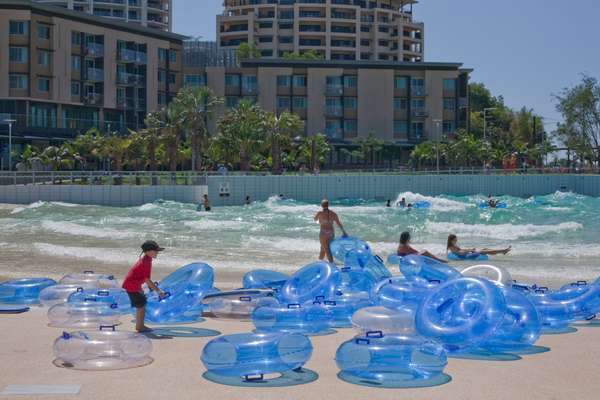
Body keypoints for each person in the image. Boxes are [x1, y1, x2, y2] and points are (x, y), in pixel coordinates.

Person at [122, 240, 166, 332]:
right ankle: (140, 326)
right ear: (147, 252)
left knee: (142, 304)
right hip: (131, 286)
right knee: (141, 306)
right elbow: (147, 280)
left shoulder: (147, 259)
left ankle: (140, 325)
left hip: (134, 285)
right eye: (155, 250)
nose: (157, 252)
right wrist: (158, 291)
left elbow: (142, 278)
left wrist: (143, 289)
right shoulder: (145, 263)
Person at [447, 234, 511, 256]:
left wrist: (470, 249)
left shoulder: (454, 245)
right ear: (451, 240)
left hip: (468, 252)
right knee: (486, 251)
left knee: (485, 249)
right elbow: (460, 253)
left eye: (456, 239)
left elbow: (461, 250)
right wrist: (469, 251)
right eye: (455, 240)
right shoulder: (451, 247)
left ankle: (502, 251)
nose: (456, 241)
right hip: (468, 254)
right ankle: (503, 250)